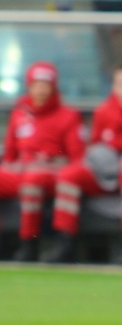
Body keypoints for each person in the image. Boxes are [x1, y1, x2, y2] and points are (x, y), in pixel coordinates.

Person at [48, 62, 122, 264]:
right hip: (108, 173)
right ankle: (65, 242)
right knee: (69, 174)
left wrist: (121, 159)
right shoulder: (104, 111)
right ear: (114, 86)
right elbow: (94, 149)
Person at [0, 62, 85, 262]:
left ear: (53, 87)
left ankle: (28, 245)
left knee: (33, 180)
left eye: (45, 84)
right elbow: (10, 155)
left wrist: (50, 162)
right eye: (36, 84)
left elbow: (77, 157)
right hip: (21, 172)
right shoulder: (19, 113)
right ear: (29, 86)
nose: (40, 90)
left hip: (49, 174)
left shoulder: (68, 116)